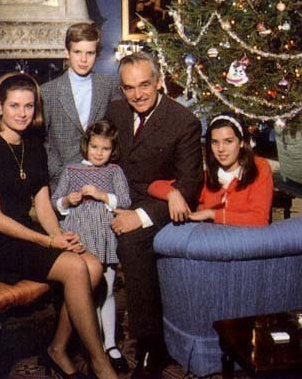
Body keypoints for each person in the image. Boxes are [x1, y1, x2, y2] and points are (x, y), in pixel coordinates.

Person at [0, 72, 118, 379]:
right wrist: (48, 242)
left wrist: (60, 236)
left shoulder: (33, 146)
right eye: (14, 106)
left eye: (29, 106)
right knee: (75, 268)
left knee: (91, 266)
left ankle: (57, 348)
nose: (22, 113)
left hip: (25, 236)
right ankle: (100, 362)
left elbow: (43, 203)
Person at [106, 52, 203, 379]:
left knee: (132, 242)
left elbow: (189, 185)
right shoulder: (115, 111)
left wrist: (141, 216)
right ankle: (93, 339)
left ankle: (150, 346)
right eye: (129, 88)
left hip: (156, 207)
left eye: (144, 85)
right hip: (115, 199)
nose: (138, 94)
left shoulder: (183, 121)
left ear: (159, 81)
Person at [51, 120, 131, 373]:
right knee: (87, 292)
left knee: (106, 290)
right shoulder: (71, 170)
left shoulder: (114, 171)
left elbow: (125, 201)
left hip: (104, 236)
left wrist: (101, 195)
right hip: (79, 237)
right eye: (94, 147)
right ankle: (92, 344)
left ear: (113, 150)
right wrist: (67, 200)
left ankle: (110, 344)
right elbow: (55, 202)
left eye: (105, 149)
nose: (99, 153)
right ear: (86, 145)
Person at [149, 114, 273, 226]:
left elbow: (260, 219)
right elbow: (154, 186)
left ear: (241, 142)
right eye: (215, 142)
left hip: (244, 239)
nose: (221, 149)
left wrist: (212, 214)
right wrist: (172, 194)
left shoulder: (259, 167)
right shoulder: (206, 173)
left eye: (228, 141)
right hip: (209, 237)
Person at [41, 22, 117, 191]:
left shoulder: (108, 86)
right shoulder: (48, 91)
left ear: (96, 54)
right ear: (67, 52)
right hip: (62, 181)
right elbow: (41, 140)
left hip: (101, 180)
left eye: (90, 53)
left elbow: (116, 132)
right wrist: (57, 171)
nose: (83, 59)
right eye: (77, 52)